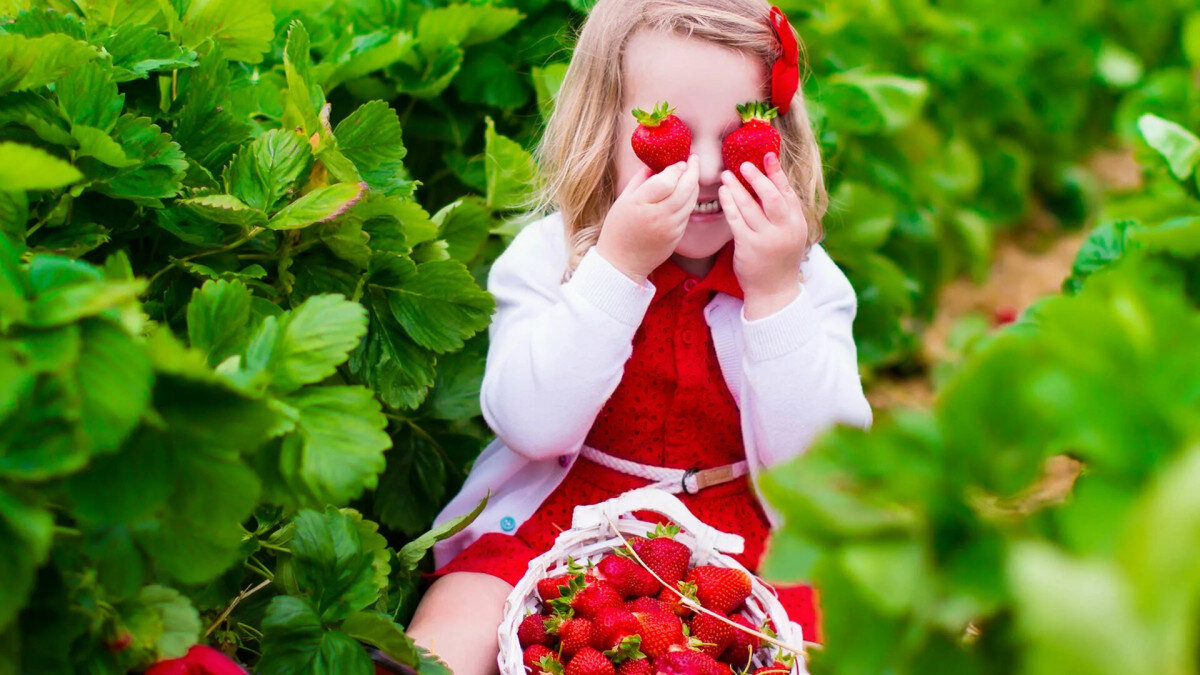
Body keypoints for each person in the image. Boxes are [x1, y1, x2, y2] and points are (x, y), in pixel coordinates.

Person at [405, 0, 873, 672]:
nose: (709, 168)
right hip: (563, 518)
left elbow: (824, 465)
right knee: (463, 612)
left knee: (824, 640)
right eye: (670, 134)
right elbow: (531, 424)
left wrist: (773, 293)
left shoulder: (803, 277)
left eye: (743, 131)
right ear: (602, 130)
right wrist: (617, 268)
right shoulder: (553, 258)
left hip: (736, 543)